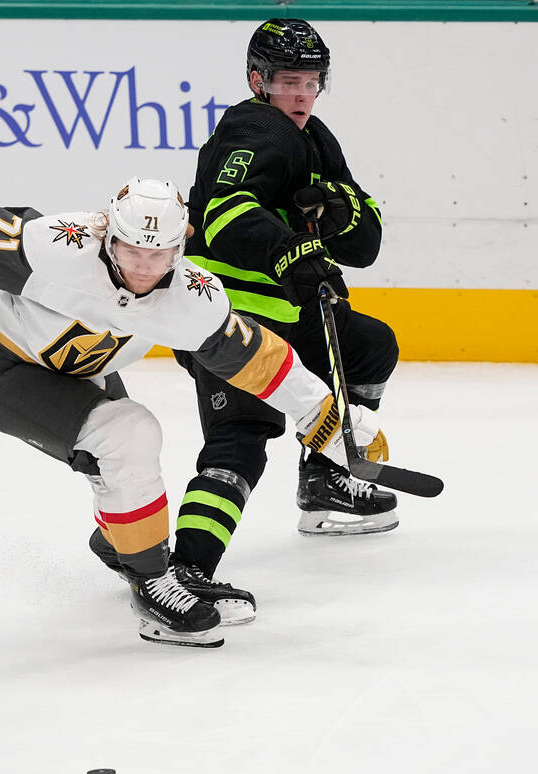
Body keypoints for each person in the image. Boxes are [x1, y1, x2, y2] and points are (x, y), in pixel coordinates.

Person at [0, 176, 386, 648]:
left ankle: (124, 546)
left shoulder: (192, 297)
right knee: (129, 434)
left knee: (124, 454)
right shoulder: (58, 247)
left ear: (181, 246)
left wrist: (323, 414)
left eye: (160, 253)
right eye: (132, 251)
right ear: (108, 234)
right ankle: (151, 584)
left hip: (83, 373)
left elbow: (257, 356)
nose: (144, 268)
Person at [167, 18, 400, 612]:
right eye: (290, 80)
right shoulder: (252, 128)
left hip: (295, 320)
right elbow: (225, 211)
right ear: (258, 80)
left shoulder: (316, 138)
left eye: (313, 81)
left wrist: (337, 209)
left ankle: (323, 478)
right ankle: (184, 571)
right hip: (228, 325)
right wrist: (295, 252)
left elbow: (364, 242)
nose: (302, 94)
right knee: (241, 438)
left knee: (371, 345)